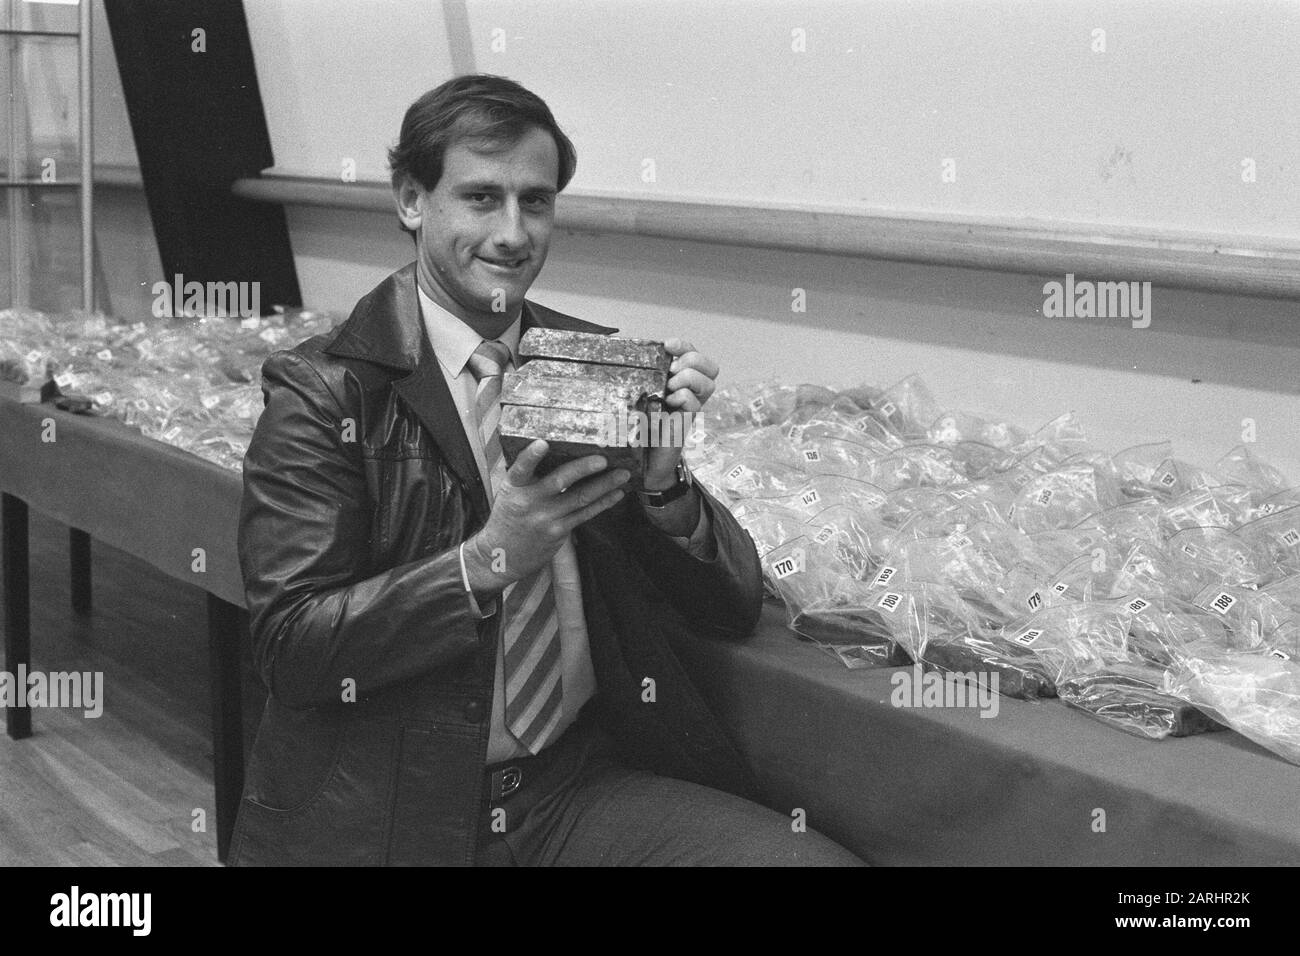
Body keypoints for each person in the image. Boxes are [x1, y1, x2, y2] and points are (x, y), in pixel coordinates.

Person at [229, 73, 863, 866]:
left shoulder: (594, 367)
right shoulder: (325, 389)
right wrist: (490, 560)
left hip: (567, 789)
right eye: (481, 198)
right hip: (392, 812)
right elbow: (293, 648)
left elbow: (729, 610)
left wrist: (664, 484)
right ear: (411, 201)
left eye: (535, 201)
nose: (512, 232)